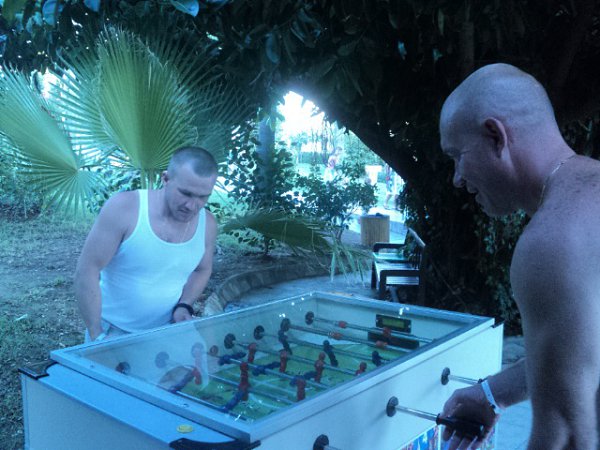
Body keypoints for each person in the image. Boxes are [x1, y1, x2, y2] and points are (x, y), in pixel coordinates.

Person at [439, 63, 600, 449]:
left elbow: (568, 438)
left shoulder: (552, 242)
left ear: (496, 136)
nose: (457, 178)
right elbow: (586, 352)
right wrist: (492, 394)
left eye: (457, 156)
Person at [75, 146, 218, 342]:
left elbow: (203, 269)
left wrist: (184, 305)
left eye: (203, 197)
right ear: (166, 179)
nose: (192, 206)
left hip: (170, 330)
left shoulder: (207, 224)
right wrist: (97, 334)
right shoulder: (125, 209)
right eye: (186, 193)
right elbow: (87, 270)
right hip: (113, 331)